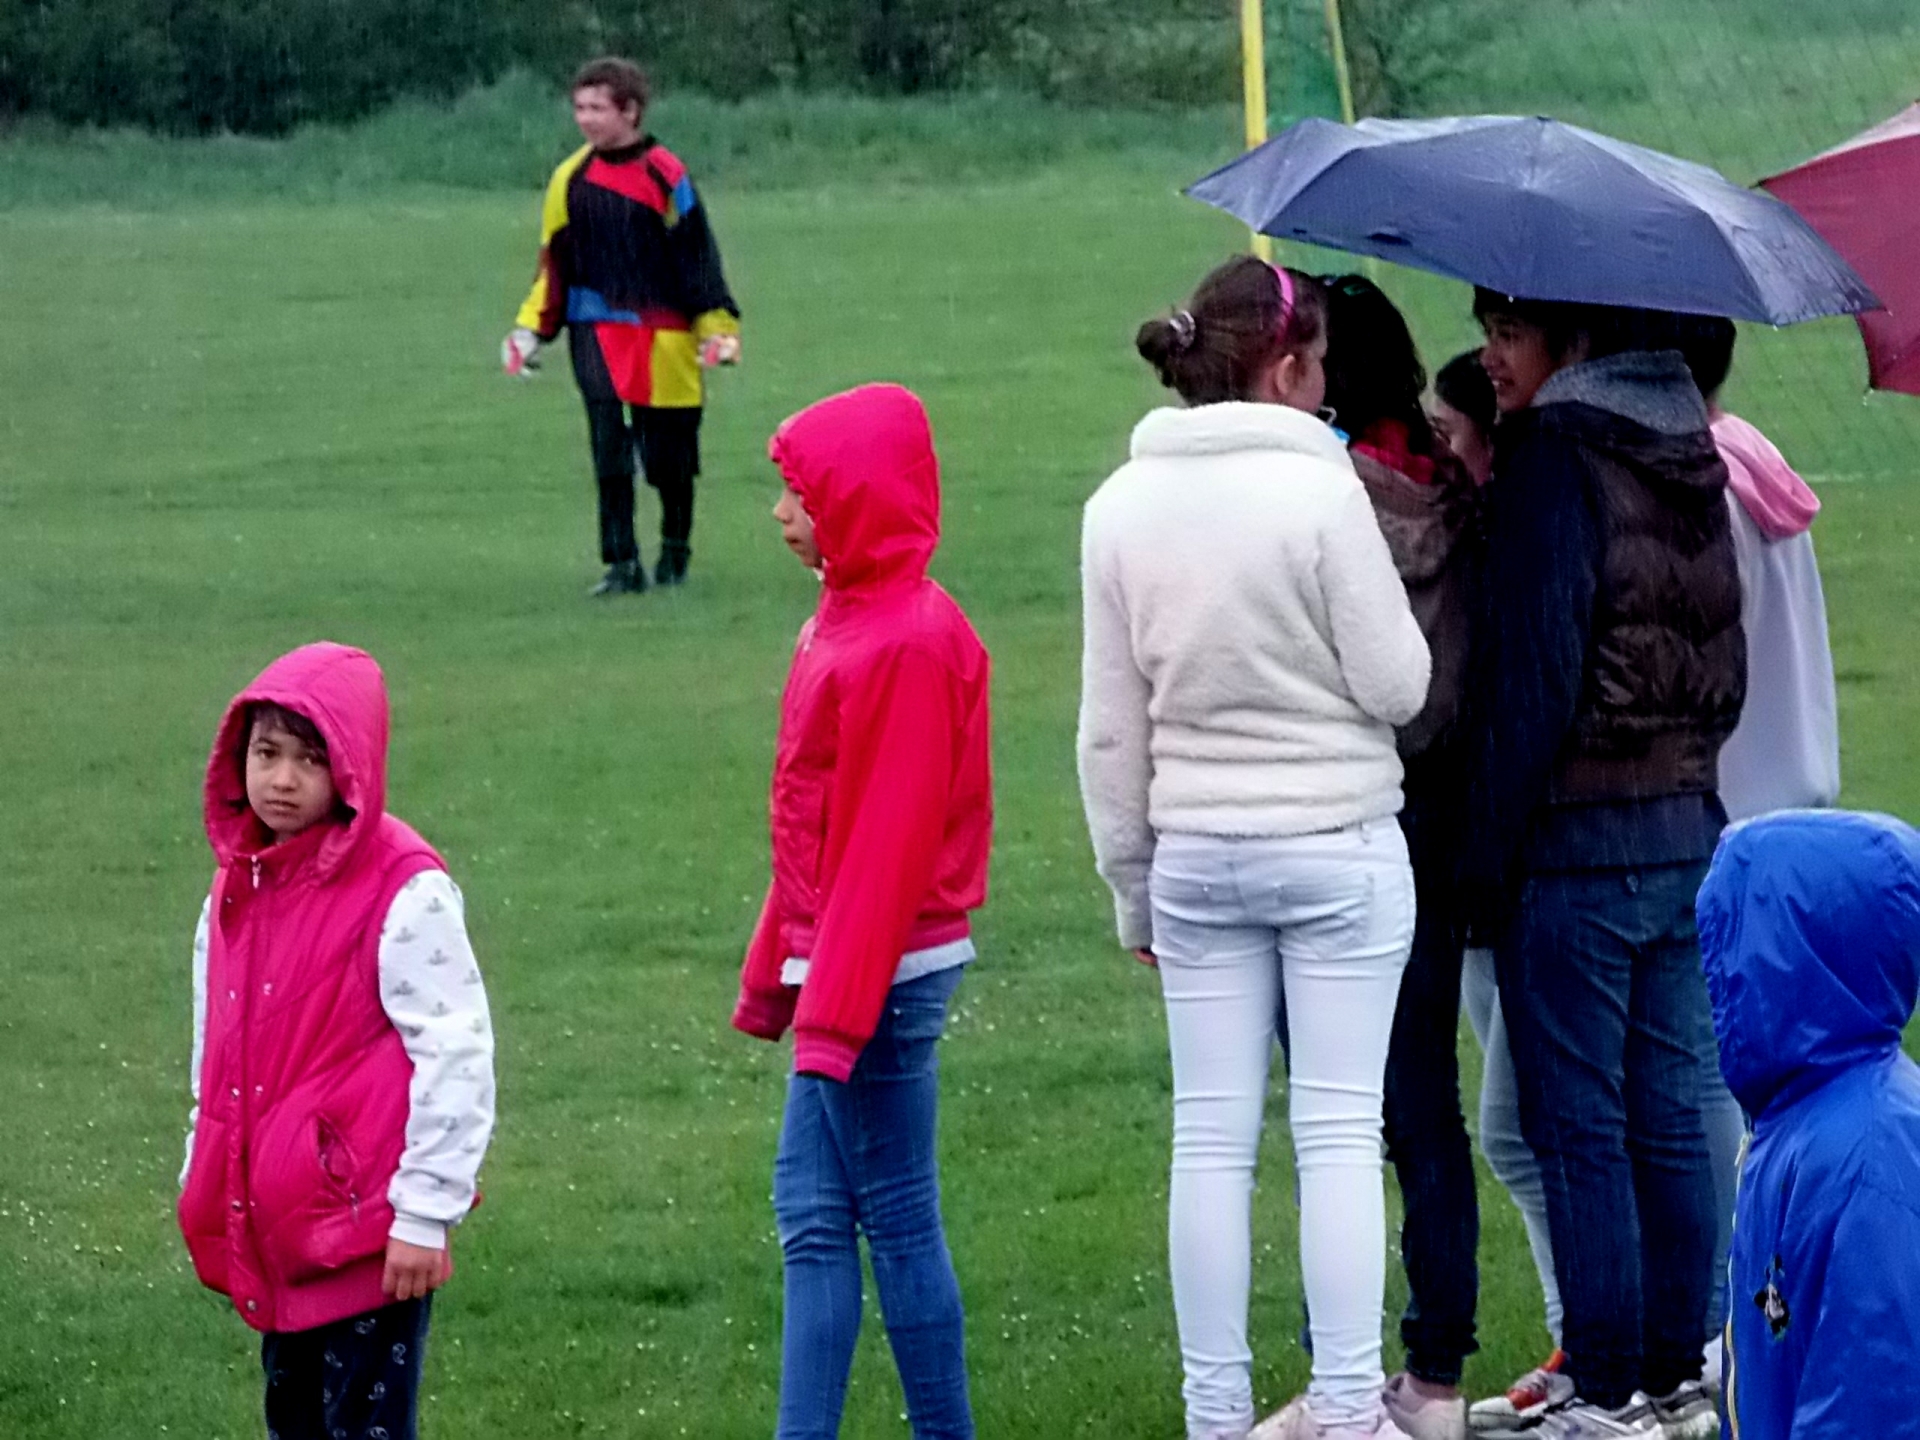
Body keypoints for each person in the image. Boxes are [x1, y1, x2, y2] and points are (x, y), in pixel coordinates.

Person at [1080, 254, 1432, 1440]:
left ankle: (1215, 1413)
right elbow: (1398, 683)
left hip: (1196, 854)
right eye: (1319, 363)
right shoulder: (1324, 495)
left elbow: (1109, 732)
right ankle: (1348, 1407)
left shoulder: (1118, 508)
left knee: (1210, 1140)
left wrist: (1132, 890)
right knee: (1337, 1136)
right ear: (1286, 369)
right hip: (1337, 843)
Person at [1458, 291, 1743, 1438]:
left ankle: (1610, 1385)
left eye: (1508, 332)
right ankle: (1683, 1373)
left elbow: (1535, 673)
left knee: (1579, 1128)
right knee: (1670, 1114)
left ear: (1574, 338)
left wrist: (1482, 857)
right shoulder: (1687, 448)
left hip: (1577, 844)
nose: (1488, 356)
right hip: (1685, 826)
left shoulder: (1555, 455)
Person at [731, 383, 993, 1440]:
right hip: (844, 965)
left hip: (881, 974)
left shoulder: (908, 642)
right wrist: (774, 974)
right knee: (810, 1214)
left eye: (798, 493)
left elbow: (885, 849)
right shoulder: (844, 621)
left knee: (895, 1217)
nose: (780, 512)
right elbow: (814, 832)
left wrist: (831, 1019)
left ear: (856, 499)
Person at [177, 642, 497, 1440]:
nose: (282, 779)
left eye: (310, 759)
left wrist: (425, 1212)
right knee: (293, 1424)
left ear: (353, 766)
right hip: (280, 1235)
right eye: (266, 754)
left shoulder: (405, 889)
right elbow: (217, 1052)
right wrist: (205, 1169)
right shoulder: (237, 886)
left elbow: (455, 1053)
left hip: (368, 1242)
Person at [1320, 277, 1484, 1440]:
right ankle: (1435, 1375)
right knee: (1427, 1109)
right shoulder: (1451, 480)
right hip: (1440, 810)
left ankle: (1344, 1376)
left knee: (1338, 1115)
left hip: (1346, 808)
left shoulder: (1326, 497)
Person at [1697, 809, 1920, 1439]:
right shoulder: (1795, 1121)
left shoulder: (1871, 1156)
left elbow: (1876, 1404)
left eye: (1734, 941)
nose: (1714, 973)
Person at [503, 56, 742, 595]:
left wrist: (717, 328)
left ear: (630, 111)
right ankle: (621, 565)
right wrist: (529, 330)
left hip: (665, 335)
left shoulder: (666, 174)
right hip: (595, 330)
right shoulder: (569, 178)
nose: (586, 119)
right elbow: (555, 262)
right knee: (609, 450)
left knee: (667, 457)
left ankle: (675, 549)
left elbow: (697, 256)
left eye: (597, 108)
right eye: (580, 108)